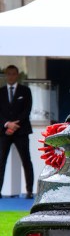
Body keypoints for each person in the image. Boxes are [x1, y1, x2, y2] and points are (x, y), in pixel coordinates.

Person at [0, 65, 34, 198]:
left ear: (17, 75)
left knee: (26, 160)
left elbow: (27, 110)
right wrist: (7, 124)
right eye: (8, 74)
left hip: (21, 131)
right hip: (4, 132)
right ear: (5, 75)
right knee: (1, 162)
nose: (11, 76)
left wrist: (14, 125)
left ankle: (29, 191)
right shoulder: (1, 91)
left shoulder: (26, 91)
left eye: (13, 74)